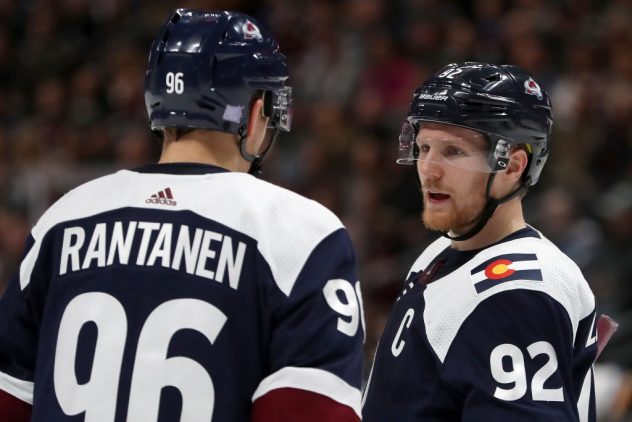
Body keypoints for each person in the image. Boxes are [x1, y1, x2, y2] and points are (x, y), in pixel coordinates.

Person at [0, 9, 364, 421]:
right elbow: (309, 411)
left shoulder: (64, 217)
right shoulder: (300, 233)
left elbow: (9, 398)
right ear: (256, 109)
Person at [362, 62, 601, 421]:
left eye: (453, 151)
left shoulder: (523, 292)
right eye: (424, 147)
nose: (429, 168)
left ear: (512, 166)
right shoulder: (440, 252)